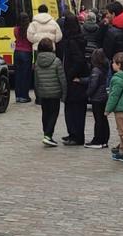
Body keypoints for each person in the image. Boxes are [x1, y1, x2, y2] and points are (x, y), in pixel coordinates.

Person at [59, 14, 90, 146]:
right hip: (77, 78)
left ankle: (76, 136)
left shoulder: (72, 41)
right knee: (73, 108)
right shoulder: (77, 38)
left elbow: (78, 60)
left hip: (74, 79)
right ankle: (73, 133)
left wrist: (70, 75)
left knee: (74, 108)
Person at [33, 37, 66, 147]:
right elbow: (62, 79)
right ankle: (48, 135)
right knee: (53, 114)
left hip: (43, 93)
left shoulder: (37, 62)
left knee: (45, 114)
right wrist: (64, 93)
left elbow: (36, 80)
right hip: (55, 93)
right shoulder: (56, 61)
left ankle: (46, 133)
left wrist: (37, 94)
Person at [86, 48, 111, 149]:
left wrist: (87, 94)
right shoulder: (104, 68)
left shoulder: (95, 70)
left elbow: (93, 84)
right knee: (103, 119)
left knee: (98, 120)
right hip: (103, 96)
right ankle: (104, 140)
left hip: (97, 98)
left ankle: (97, 140)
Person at [12, 13, 33, 104]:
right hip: (26, 52)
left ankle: (18, 96)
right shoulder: (29, 29)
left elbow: (16, 37)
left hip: (17, 52)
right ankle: (24, 96)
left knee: (18, 75)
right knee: (26, 75)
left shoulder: (15, 29)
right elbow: (31, 40)